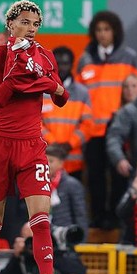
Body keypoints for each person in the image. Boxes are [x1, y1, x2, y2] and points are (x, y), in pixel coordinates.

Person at [0, 0, 69, 274]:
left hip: (32, 144)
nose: (31, 29)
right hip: (0, 145)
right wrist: (24, 75)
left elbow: (62, 97)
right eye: (25, 23)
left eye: (36, 24)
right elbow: (0, 98)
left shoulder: (46, 55)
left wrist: (45, 82)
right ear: (11, 24)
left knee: (41, 219)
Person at [76, 10, 137, 229]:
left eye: (107, 29)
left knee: (119, 175)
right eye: (99, 30)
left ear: (115, 32)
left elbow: (136, 92)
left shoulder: (129, 57)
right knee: (95, 176)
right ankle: (98, 216)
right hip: (93, 129)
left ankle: (116, 216)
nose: (103, 34)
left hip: (120, 127)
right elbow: (79, 95)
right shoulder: (85, 59)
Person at [41, 46, 92, 179]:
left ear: (72, 65)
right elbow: (35, 122)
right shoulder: (41, 91)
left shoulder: (82, 93)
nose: (62, 67)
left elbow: (87, 125)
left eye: (65, 63)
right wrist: (52, 142)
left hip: (73, 162)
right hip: (45, 160)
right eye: (58, 63)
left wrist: (70, 144)